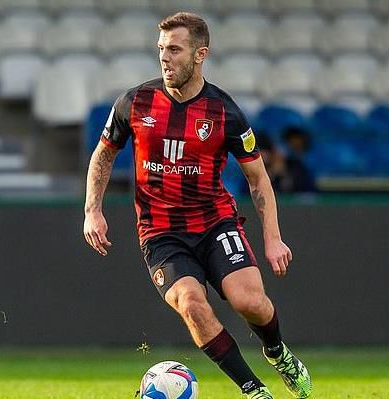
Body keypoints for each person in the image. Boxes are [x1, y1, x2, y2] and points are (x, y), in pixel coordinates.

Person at [83, 12, 312, 399]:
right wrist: (92, 209)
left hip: (215, 223)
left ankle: (278, 353)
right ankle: (254, 390)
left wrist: (272, 238)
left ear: (199, 54)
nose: (165, 57)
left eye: (175, 49)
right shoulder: (135, 102)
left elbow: (259, 180)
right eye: (161, 49)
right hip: (161, 232)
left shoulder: (224, 113)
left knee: (250, 302)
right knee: (192, 303)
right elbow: (103, 155)